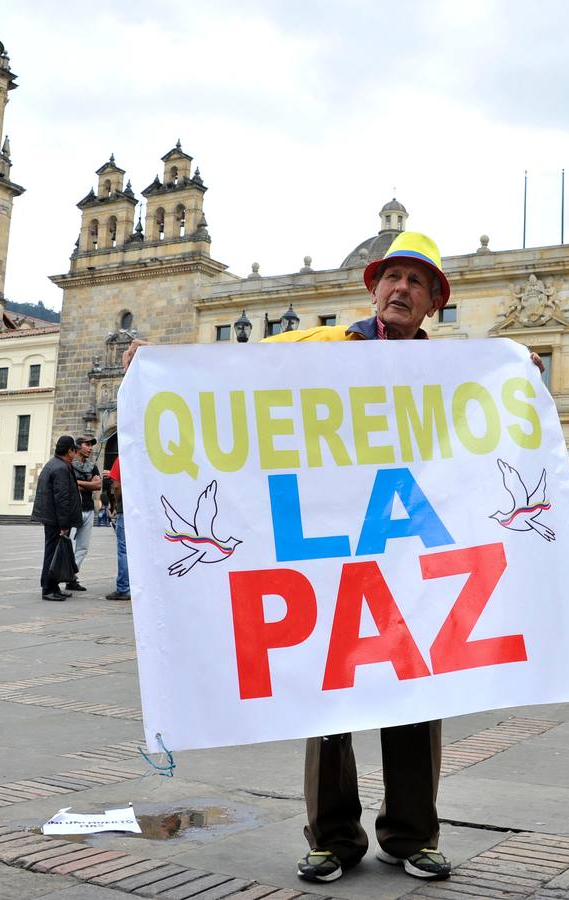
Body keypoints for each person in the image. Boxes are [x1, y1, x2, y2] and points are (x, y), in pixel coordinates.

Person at [123, 233, 508, 884]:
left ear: (433, 301)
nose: (402, 289)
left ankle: (412, 837)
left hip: (408, 555)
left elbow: (487, 436)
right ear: (373, 287)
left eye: (418, 282)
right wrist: (162, 363)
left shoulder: (451, 372)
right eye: (394, 277)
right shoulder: (322, 347)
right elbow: (234, 374)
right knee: (330, 698)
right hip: (327, 556)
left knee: (415, 695)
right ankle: (333, 839)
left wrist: (519, 374)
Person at [31, 436, 83, 603]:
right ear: (69, 451)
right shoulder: (60, 468)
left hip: (51, 517)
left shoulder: (53, 464)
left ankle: (53, 587)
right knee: (52, 554)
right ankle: (48, 588)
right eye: (74, 450)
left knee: (53, 553)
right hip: (55, 519)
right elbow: (62, 499)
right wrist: (64, 524)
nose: (75, 454)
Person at [68, 436, 102, 592]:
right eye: (87, 445)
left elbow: (98, 486)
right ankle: (65, 574)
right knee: (69, 545)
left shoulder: (92, 466)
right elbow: (69, 485)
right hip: (73, 509)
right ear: (78, 447)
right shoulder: (69, 465)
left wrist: (79, 483)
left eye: (90, 445)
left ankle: (71, 576)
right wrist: (89, 484)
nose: (90, 448)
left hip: (88, 509)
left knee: (83, 547)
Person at [105, 459, 129, 602]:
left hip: (126, 510)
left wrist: (117, 503)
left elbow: (117, 486)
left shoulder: (122, 458)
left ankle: (124, 588)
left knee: (124, 549)